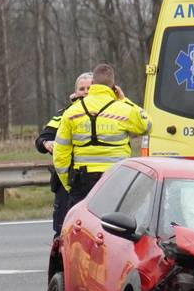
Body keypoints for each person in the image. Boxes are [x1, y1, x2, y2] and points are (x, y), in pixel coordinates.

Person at [53, 63, 151, 210]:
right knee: (116, 227)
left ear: (92, 84)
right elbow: (147, 126)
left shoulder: (72, 112)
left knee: (84, 228)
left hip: (83, 181)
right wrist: (124, 100)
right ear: (113, 87)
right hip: (117, 178)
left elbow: (60, 153)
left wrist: (69, 184)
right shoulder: (123, 110)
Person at [36, 73, 93, 235]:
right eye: (82, 89)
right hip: (68, 181)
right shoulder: (65, 114)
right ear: (75, 93)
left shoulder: (109, 112)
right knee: (63, 231)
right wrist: (47, 144)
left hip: (98, 181)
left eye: (89, 88)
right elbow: (42, 139)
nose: (86, 92)